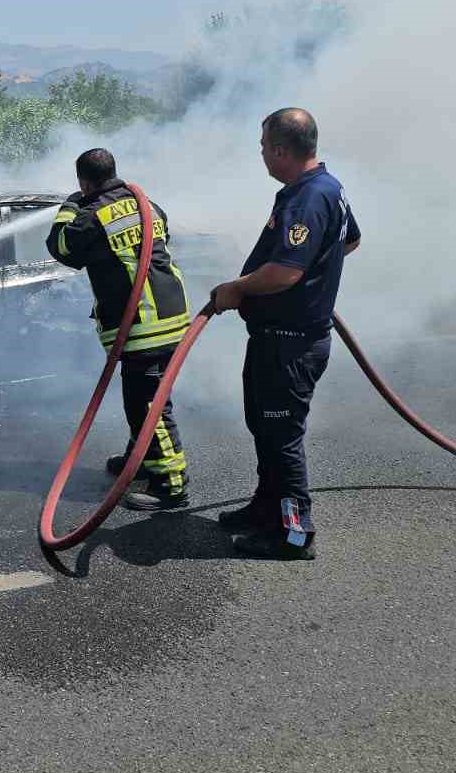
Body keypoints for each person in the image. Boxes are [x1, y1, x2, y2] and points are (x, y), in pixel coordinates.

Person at [210, 108, 361, 559]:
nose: (260, 155)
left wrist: (236, 288)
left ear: (280, 150)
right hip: (279, 337)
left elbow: (285, 272)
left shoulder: (307, 198)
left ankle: (295, 535)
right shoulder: (323, 188)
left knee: (282, 437)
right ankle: (265, 510)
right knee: (264, 428)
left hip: (289, 344)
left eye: (262, 148)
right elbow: (349, 240)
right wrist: (319, 278)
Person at [47, 148, 193, 510]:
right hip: (171, 315)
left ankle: (171, 485)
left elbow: (61, 247)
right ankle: (140, 459)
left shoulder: (92, 216)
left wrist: (70, 204)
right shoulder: (148, 205)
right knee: (143, 398)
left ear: (84, 181)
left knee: (148, 405)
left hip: (144, 325)